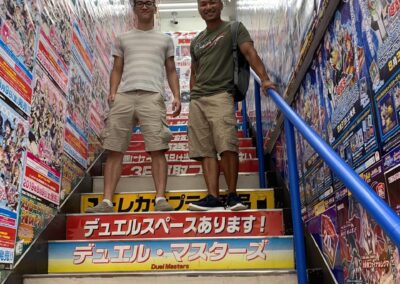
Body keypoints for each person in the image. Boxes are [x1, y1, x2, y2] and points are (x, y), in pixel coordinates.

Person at [86, 0, 181, 213]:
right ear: (135, 9)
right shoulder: (122, 39)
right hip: (124, 97)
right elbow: (117, 68)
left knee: (158, 148)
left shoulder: (165, 40)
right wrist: (113, 91)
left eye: (148, 3)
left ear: (155, 8)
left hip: (153, 96)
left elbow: (171, 70)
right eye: (140, 3)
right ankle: (107, 202)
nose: (144, 6)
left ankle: (160, 200)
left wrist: (176, 95)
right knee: (114, 149)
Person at [187, 0, 275, 211]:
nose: (207, 8)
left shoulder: (233, 29)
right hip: (198, 99)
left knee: (226, 144)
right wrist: (192, 95)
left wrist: (264, 79)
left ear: (220, 5)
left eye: (212, 3)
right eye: (203, 4)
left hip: (221, 94)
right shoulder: (196, 41)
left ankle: (232, 195)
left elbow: (249, 52)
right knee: (205, 149)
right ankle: (212, 197)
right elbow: (194, 71)